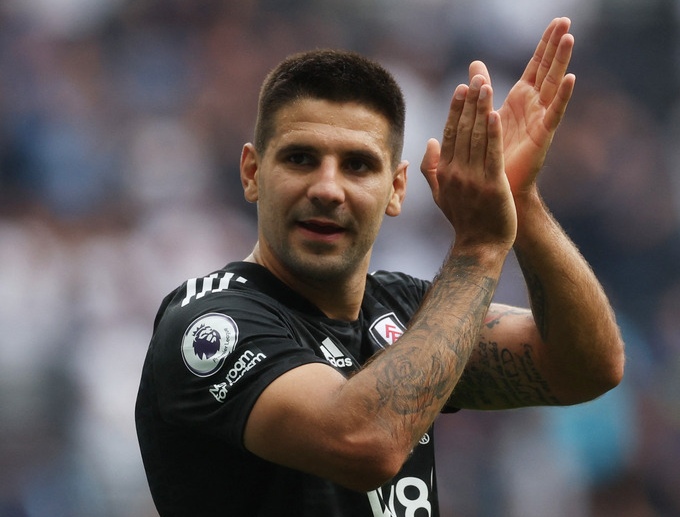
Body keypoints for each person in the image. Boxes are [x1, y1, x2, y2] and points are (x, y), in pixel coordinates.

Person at [135, 17, 625, 517]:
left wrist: (522, 202)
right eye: (301, 158)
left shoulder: (405, 311)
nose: (328, 188)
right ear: (252, 173)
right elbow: (365, 442)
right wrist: (478, 250)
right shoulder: (209, 325)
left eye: (358, 165)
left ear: (395, 190)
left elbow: (586, 368)